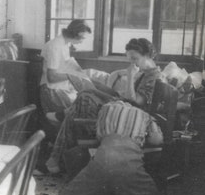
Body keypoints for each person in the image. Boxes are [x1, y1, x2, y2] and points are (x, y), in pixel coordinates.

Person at [46, 38, 161, 173]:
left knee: (85, 97)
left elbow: (136, 102)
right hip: (123, 106)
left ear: (147, 56)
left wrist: (130, 76)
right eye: (130, 59)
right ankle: (56, 158)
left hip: (128, 114)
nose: (132, 63)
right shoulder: (146, 73)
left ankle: (56, 155)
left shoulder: (153, 76)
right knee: (90, 88)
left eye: (135, 59)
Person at [40, 100, 169, 195]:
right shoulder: (145, 115)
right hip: (130, 164)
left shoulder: (106, 107)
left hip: (102, 160)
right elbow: (157, 140)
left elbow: (97, 133)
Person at [39, 19, 92, 114]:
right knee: (79, 112)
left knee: (84, 106)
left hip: (60, 88)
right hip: (52, 90)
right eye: (83, 38)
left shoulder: (64, 44)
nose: (82, 42)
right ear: (77, 34)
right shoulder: (55, 46)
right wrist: (72, 75)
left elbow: (63, 67)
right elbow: (51, 77)